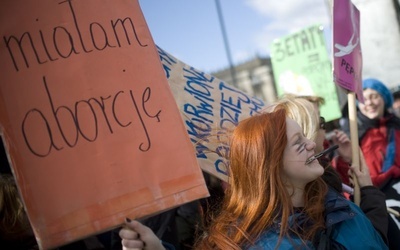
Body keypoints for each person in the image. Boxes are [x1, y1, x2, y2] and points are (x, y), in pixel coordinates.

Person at [121, 107, 388, 249]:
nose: (311, 144)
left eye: (306, 136)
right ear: (271, 166)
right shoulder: (258, 242)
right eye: (298, 143)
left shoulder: (335, 203)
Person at [340, 78, 400, 247]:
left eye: (374, 96)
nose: (370, 102)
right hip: (377, 201)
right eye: (364, 98)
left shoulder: (397, 126)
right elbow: (346, 178)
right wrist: (345, 159)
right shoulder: (350, 135)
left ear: (384, 99)